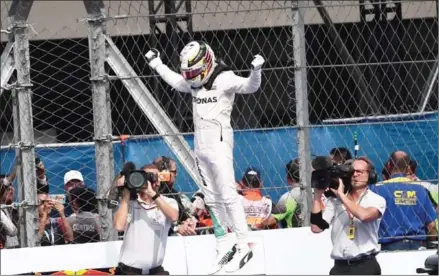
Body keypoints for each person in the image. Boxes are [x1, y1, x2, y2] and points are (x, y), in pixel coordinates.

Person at [145, 41, 265, 273]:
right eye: (187, 73)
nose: (190, 77)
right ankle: (223, 242)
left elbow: (250, 87)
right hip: (200, 147)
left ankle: (243, 242)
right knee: (210, 197)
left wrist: (256, 71)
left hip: (220, 144)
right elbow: (174, 79)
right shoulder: (192, 84)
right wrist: (157, 63)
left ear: (206, 63)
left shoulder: (225, 78)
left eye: (193, 72)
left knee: (228, 193)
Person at [310, 157, 387, 275]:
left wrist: (341, 195)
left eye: (359, 172)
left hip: (365, 266)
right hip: (339, 267)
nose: (355, 175)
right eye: (352, 172)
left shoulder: (376, 199)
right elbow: (316, 227)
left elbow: (364, 216)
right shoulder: (335, 201)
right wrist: (317, 196)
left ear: (370, 175)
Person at [113, 164, 179, 275]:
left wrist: (152, 193)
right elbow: (119, 226)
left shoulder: (168, 202)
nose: (151, 181)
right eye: (146, 177)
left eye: (154, 177)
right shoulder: (130, 203)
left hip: (156, 270)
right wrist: (126, 195)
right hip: (129, 271)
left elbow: (173, 216)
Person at [372, 151, 437, 251]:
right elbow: (431, 225)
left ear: (389, 165)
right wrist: (432, 243)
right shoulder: (420, 189)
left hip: (389, 244)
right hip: (418, 244)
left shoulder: (378, 189)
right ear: (407, 168)